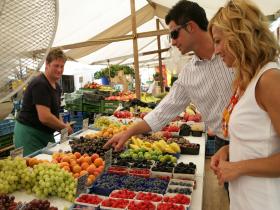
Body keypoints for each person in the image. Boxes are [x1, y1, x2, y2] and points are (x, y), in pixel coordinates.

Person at [104, 0, 235, 151]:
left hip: (259, 138)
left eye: (174, 34)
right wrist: (128, 133)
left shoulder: (235, 52)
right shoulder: (188, 74)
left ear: (190, 27)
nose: (172, 42)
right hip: (223, 142)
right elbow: (162, 112)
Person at [209, 1, 280, 210]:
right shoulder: (249, 79)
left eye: (219, 41)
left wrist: (238, 167)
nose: (216, 50)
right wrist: (230, 150)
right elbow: (262, 140)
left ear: (241, 35)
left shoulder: (269, 80)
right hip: (245, 199)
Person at [14, 49, 73, 156]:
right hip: (29, 133)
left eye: (62, 66)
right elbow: (45, 117)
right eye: (56, 65)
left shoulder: (57, 87)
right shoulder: (40, 84)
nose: (59, 70)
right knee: (34, 167)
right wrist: (64, 127)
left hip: (45, 133)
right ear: (47, 64)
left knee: (53, 161)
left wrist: (63, 125)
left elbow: (55, 112)